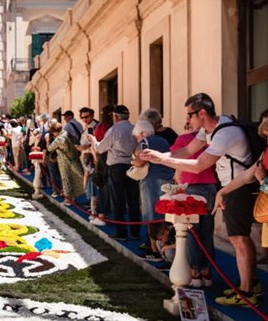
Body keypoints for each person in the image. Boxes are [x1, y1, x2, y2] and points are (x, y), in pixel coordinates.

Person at [141, 93, 259, 306]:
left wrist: (162, 160)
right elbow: (187, 150)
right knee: (239, 238)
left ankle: (246, 292)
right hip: (231, 186)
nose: (188, 121)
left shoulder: (224, 134)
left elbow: (198, 164)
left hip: (239, 187)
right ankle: (251, 283)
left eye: (190, 115)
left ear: (202, 113)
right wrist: (160, 156)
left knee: (238, 239)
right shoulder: (211, 128)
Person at [171, 120, 217, 288]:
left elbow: (175, 161)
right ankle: (206, 270)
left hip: (191, 186)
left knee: (191, 231)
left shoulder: (183, 140)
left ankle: (195, 270)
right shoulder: (211, 140)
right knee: (207, 230)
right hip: (210, 185)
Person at [89, 105, 139, 241]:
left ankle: (121, 233)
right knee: (133, 200)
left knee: (118, 201)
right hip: (132, 166)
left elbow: (100, 148)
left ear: (115, 117)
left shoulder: (114, 130)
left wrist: (94, 141)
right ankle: (135, 232)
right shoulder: (134, 128)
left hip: (117, 166)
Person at [131, 119, 174, 261]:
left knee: (152, 217)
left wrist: (133, 162)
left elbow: (140, 161)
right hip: (167, 179)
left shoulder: (145, 142)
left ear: (142, 133)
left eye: (137, 135)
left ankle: (156, 251)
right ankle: (167, 250)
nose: (137, 139)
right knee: (166, 218)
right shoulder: (163, 141)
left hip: (152, 182)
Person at [46, 122, 85, 205]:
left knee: (66, 179)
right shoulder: (68, 134)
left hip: (64, 161)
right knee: (80, 177)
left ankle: (68, 199)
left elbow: (49, 148)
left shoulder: (59, 139)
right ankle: (75, 197)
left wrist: (47, 141)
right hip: (74, 159)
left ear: (55, 132)